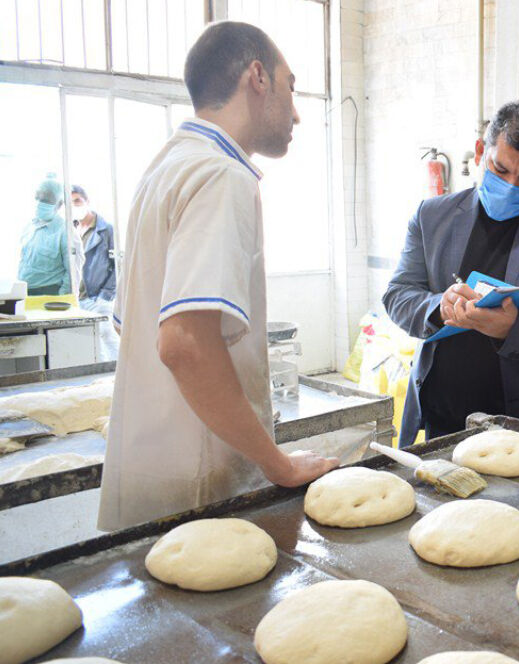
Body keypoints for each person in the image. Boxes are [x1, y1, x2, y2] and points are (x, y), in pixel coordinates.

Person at [98, 22, 336, 531]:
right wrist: (280, 464)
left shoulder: (165, 168)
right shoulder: (220, 176)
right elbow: (183, 344)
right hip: (198, 486)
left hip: (153, 473)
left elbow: (129, 325)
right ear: (257, 77)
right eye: (290, 87)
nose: (296, 112)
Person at [383, 101, 519, 447]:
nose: (511, 185)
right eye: (500, 170)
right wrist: (440, 306)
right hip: (445, 413)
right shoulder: (432, 216)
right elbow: (398, 294)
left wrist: (513, 329)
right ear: (482, 152)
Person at [71, 185, 119, 360]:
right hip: (78, 297)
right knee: (90, 345)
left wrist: (105, 296)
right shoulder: (71, 230)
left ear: (87, 201)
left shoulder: (106, 230)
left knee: (108, 337)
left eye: (77, 200)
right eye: (70, 202)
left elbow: (118, 265)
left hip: (98, 297)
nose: (75, 206)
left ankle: (115, 378)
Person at [18, 175, 72, 296]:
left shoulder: (65, 231)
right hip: (24, 292)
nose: (39, 203)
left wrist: (61, 299)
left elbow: (73, 272)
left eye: (46, 200)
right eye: (37, 198)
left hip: (49, 294)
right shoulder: (30, 226)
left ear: (59, 204)